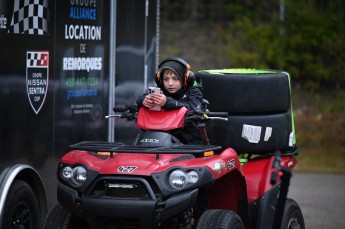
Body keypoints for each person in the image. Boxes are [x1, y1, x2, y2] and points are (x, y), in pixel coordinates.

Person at [136, 57, 203, 144]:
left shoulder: (194, 91)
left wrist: (167, 102)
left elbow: (192, 107)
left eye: (175, 78)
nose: (170, 83)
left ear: (185, 78)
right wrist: (144, 101)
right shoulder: (160, 90)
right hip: (161, 137)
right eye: (166, 79)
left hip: (189, 140)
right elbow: (140, 99)